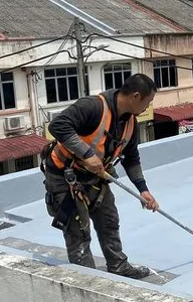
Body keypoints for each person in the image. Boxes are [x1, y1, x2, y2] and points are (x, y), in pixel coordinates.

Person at [40, 73, 160, 279]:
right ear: (136, 96)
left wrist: (143, 189)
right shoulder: (93, 107)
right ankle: (88, 279)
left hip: (96, 179)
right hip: (65, 178)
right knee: (78, 231)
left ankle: (118, 266)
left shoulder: (130, 122)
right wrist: (86, 154)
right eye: (148, 102)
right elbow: (57, 126)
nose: (148, 107)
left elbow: (131, 158)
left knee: (109, 221)